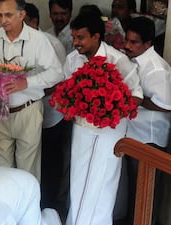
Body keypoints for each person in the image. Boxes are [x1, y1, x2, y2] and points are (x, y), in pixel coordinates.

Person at [63, 12, 143, 225]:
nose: (75, 42)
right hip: (82, 128)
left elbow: (136, 94)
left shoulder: (118, 59)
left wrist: (113, 109)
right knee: (81, 179)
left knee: (105, 182)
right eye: (74, 37)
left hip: (110, 131)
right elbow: (65, 94)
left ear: (96, 36)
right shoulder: (72, 59)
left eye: (80, 37)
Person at [0, 0, 63, 180]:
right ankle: (4, 207)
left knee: (27, 170)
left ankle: (26, 208)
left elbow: (57, 73)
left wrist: (27, 83)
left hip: (28, 109)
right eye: (0, 14)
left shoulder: (38, 40)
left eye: (8, 15)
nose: (3, 20)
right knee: (0, 168)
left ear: (22, 14)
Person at [24, 2, 71, 220]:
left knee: (50, 161)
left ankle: (48, 207)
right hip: (27, 112)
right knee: (31, 158)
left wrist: (33, 93)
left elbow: (59, 79)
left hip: (52, 112)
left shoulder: (52, 44)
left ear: (33, 21)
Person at [124, 16, 171, 225]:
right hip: (133, 133)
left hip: (149, 137)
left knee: (146, 192)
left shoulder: (156, 68)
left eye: (133, 42)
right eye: (127, 40)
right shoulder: (133, 61)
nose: (127, 46)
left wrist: (137, 99)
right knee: (134, 188)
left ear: (147, 43)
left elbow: (166, 105)